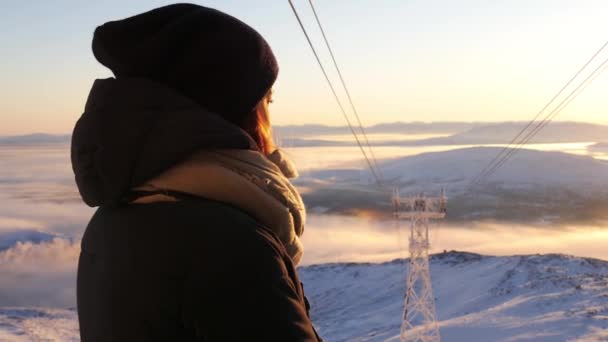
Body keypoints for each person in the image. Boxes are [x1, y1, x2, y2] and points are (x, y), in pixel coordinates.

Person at [71, 4, 322, 341]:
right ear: (235, 110)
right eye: (267, 100)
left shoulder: (112, 220)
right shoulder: (230, 248)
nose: (270, 119)